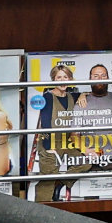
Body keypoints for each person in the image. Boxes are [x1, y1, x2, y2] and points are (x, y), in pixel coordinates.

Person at [28, 63, 81, 202]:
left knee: (86, 161)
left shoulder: (72, 96)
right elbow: (45, 124)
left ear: (70, 79)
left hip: (66, 142)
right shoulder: (47, 97)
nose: (63, 80)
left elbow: (85, 94)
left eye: (66, 77)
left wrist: (83, 95)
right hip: (49, 143)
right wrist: (48, 147)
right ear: (53, 80)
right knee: (47, 181)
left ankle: (61, 183)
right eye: (59, 77)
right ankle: (41, 212)